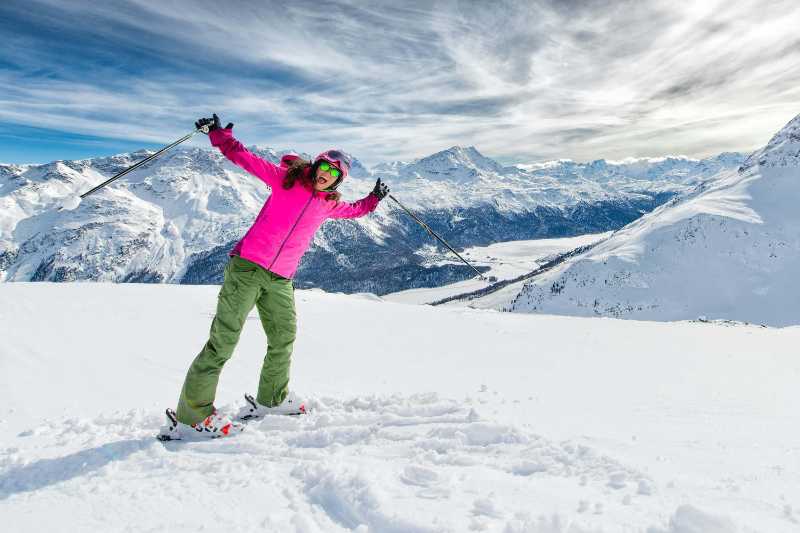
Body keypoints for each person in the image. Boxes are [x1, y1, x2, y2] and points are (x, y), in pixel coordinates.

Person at [169, 114, 389, 439]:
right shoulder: (284, 180)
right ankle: (193, 416)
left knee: (283, 338)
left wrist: (373, 200)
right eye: (324, 167)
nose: (326, 175)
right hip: (247, 269)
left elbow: (354, 210)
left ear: (337, 181)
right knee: (223, 341)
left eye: (334, 174)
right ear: (315, 165)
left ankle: (271, 399)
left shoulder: (327, 205)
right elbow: (244, 157)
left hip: (281, 280)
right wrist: (218, 135)